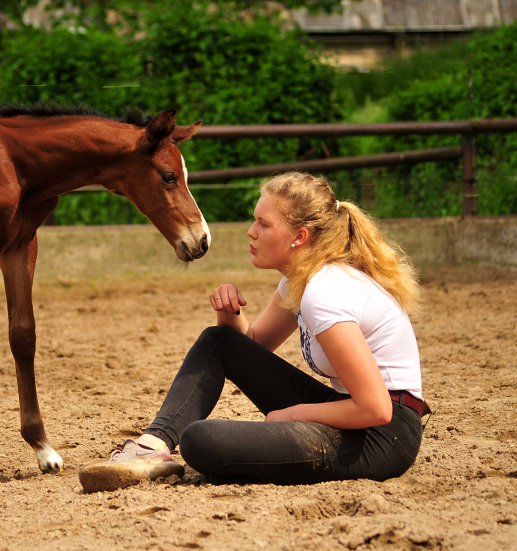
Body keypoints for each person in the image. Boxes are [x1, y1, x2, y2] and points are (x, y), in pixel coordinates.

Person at [78, 171, 430, 493]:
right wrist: (228, 313)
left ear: (299, 237)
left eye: (263, 223)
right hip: (354, 412)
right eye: (254, 220)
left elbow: (376, 408)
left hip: (384, 437)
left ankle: (177, 446)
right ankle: (152, 447)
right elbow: (252, 348)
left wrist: (294, 414)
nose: (251, 231)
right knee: (219, 341)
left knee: (200, 440)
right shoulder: (301, 280)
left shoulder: (324, 291)